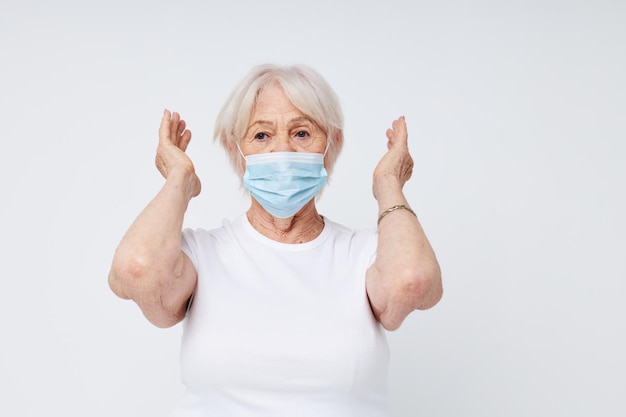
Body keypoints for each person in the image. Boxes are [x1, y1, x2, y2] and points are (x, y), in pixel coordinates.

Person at [108, 64, 443, 416]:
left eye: (301, 133)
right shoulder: (201, 254)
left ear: (331, 145)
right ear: (236, 150)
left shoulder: (366, 254)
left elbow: (413, 282)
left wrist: (388, 184)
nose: (282, 151)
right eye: (262, 136)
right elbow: (136, 270)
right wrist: (179, 180)